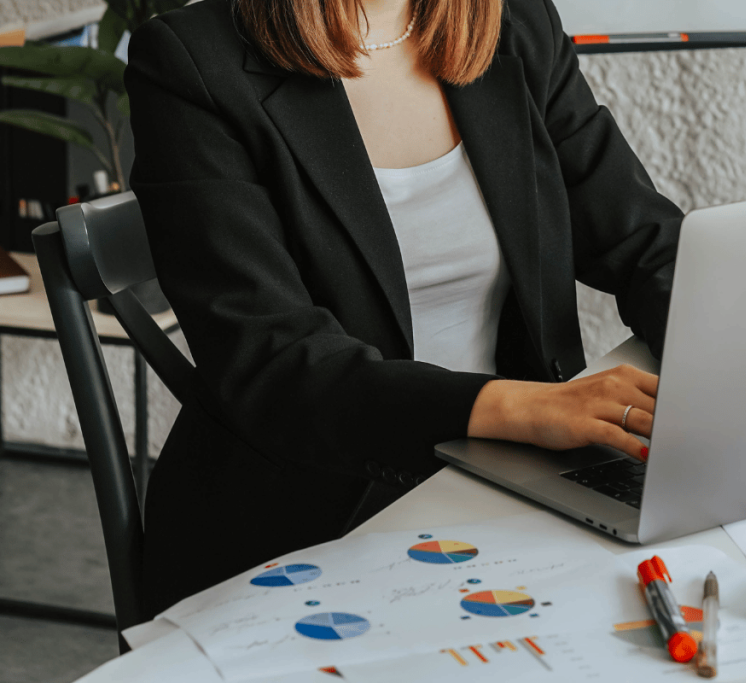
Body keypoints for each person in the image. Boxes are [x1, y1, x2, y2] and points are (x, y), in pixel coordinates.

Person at [125, 0, 682, 618]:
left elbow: (646, 244)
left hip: (515, 483)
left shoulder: (515, 23)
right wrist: (521, 408)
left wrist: (729, 354)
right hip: (308, 516)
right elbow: (269, 359)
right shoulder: (192, 59)